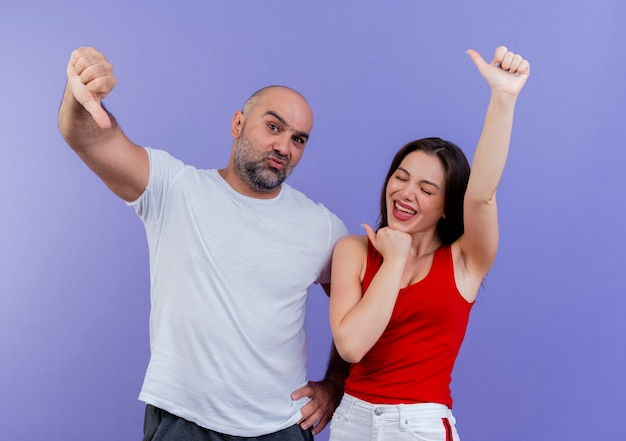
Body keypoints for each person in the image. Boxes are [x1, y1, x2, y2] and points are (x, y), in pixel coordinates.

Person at [58, 47, 350, 441]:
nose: (284, 147)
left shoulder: (322, 227)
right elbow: (87, 136)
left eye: (299, 139)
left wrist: (335, 385)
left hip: (281, 426)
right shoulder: (174, 189)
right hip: (184, 423)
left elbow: (361, 318)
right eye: (274, 127)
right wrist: (81, 97)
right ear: (237, 123)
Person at [327, 46, 530, 440]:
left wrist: (503, 98)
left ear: (447, 208)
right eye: (400, 177)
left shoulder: (466, 260)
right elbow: (352, 346)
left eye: (426, 188)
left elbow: (481, 196)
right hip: (352, 421)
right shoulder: (352, 251)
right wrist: (394, 259)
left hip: (418, 426)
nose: (405, 193)